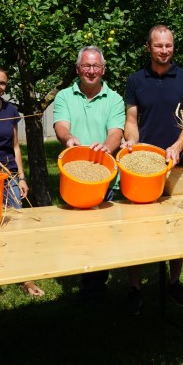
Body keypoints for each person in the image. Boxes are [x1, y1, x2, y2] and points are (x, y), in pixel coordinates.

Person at [123, 24, 183, 314]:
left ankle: (174, 282)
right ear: (149, 47)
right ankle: (134, 287)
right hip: (143, 164)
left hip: (177, 163)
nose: (164, 50)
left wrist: (178, 147)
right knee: (137, 226)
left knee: (177, 224)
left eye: (168, 46)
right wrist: (132, 141)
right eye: (158, 46)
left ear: (173, 47)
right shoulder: (135, 80)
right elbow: (132, 119)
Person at [53, 46, 125, 302]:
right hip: (74, 176)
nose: (91, 71)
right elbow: (61, 125)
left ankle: (96, 285)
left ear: (103, 70)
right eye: (86, 66)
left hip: (105, 176)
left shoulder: (114, 98)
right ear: (78, 69)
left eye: (96, 66)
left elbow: (116, 131)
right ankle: (82, 274)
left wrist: (108, 146)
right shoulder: (64, 96)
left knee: (103, 233)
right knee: (76, 232)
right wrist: (68, 137)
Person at [0, 65, 44, 304]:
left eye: (2, 83)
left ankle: (25, 278)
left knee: (17, 228)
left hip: (10, 177)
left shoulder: (10, 110)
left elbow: (15, 146)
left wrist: (22, 177)